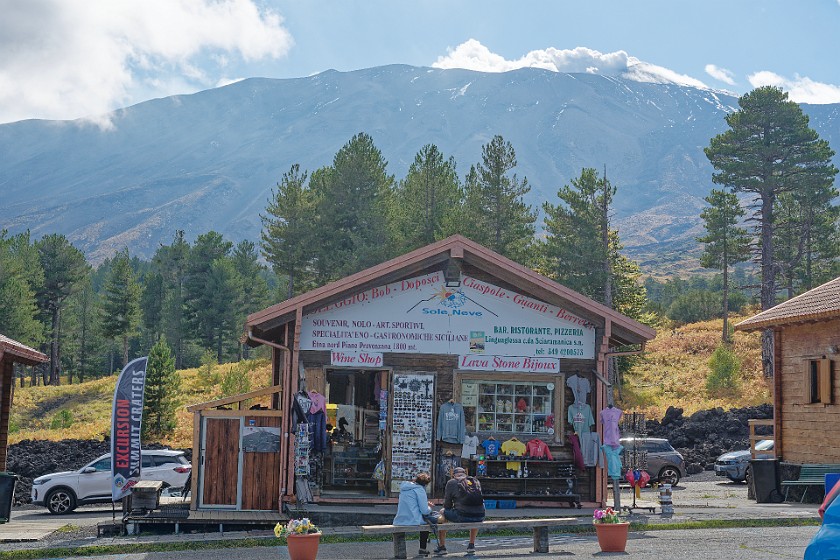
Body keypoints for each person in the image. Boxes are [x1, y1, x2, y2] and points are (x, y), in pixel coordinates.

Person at [436, 467, 485, 556]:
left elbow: (447, 504)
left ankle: (442, 547)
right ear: (465, 474)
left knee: (442, 512)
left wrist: (449, 508)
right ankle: (471, 545)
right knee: (474, 513)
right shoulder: (475, 481)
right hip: (480, 516)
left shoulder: (452, 482)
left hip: (462, 516)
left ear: (453, 475)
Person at [393, 472, 436, 557]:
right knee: (428, 522)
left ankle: (401, 553)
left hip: (400, 519)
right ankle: (423, 548)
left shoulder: (404, 487)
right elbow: (424, 510)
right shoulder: (420, 490)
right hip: (413, 519)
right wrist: (430, 507)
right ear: (425, 484)